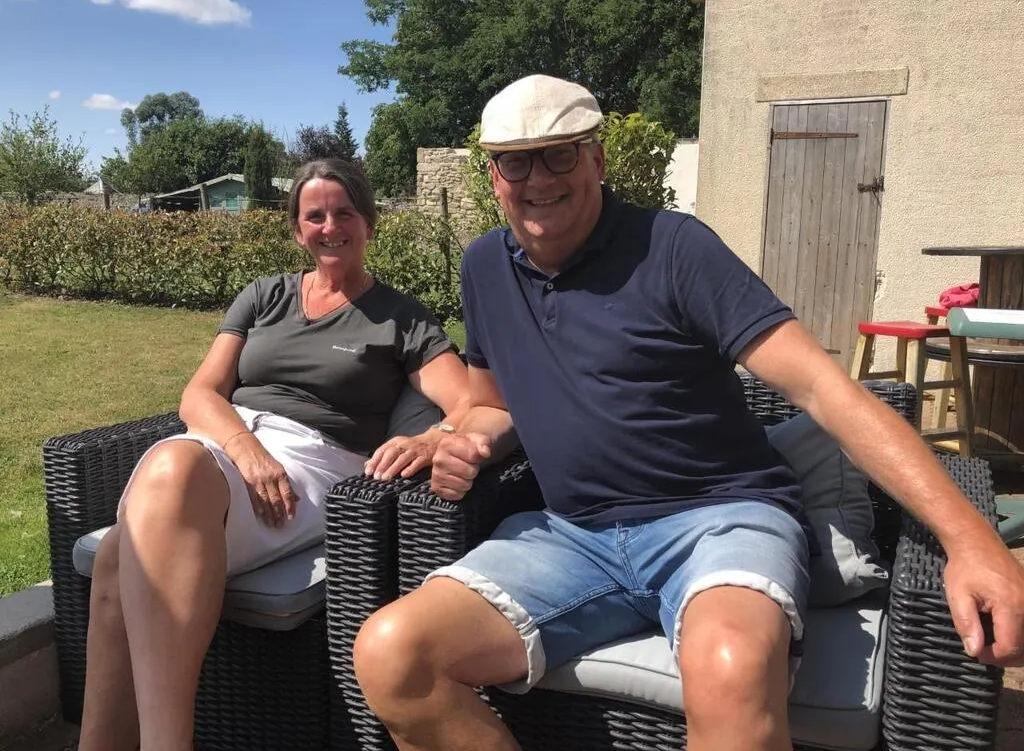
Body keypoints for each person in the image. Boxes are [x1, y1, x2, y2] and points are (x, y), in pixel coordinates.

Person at [352, 75, 1024, 751]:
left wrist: (973, 542)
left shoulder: (673, 247)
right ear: (494, 176)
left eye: (561, 153)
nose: (540, 178)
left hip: (719, 519)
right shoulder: (484, 267)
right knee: (393, 653)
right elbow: (492, 404)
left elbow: (826, 390)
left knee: (732, 670)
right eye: (516, 161)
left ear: (597, 159)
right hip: (570, 535)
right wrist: (458, 437)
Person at [79, 159, 470, 751]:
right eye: (315, 216)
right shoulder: (264, 296)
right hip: (227, 445)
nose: (330, 226)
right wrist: (246, 448)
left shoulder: (401, 318)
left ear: (368, 224)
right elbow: (199, 394)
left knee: (135, 528)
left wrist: (433, 436)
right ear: (297, 229)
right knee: (129, 535)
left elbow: (469, 403)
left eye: (345, 213)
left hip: (313, 462)